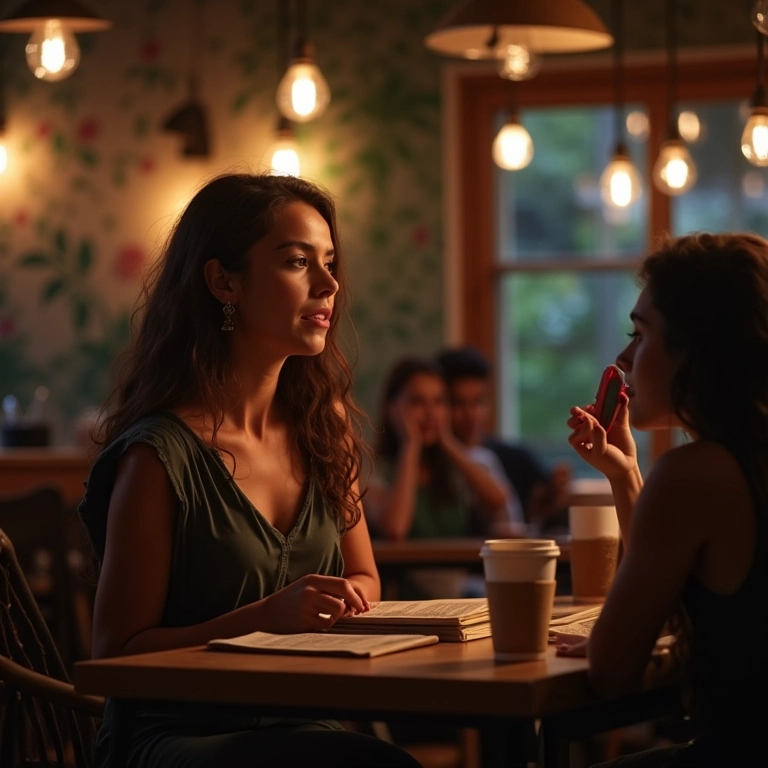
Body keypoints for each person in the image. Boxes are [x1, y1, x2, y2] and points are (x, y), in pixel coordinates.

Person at [77, 172, 423, 768]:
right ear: (224, 282)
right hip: (177, 738)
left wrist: (341, 600)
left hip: (302, 723)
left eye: (330, 262)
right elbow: (116, 655)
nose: (330, 283)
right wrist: (265, 619)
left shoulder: (324, 429)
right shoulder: (160, 455)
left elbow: (366, 577)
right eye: (297, 262)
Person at [555, 233, 768, 767]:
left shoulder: (695, 474)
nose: (625, 357)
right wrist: (626, 474)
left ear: (697, 351)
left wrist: (610, 636)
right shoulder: (739, 463)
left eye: (640, 334)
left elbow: (610, 671)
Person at [364, 356, 512, 598]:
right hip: (404, 594)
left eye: (439, 402)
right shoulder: (376, 469)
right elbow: (394, 529)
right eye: (417, 402)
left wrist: (448, 442)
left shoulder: (456, 467)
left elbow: (497, 500)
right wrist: (410, 445)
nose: (430, 413)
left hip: (461, 589)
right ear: (393, 407)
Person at [436, 345, 570, 533]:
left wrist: (552, 497)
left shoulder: (516, 459)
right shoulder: (430, 464)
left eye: (479, 401)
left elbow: (543, 514)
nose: (471, 414)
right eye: (459, 403)